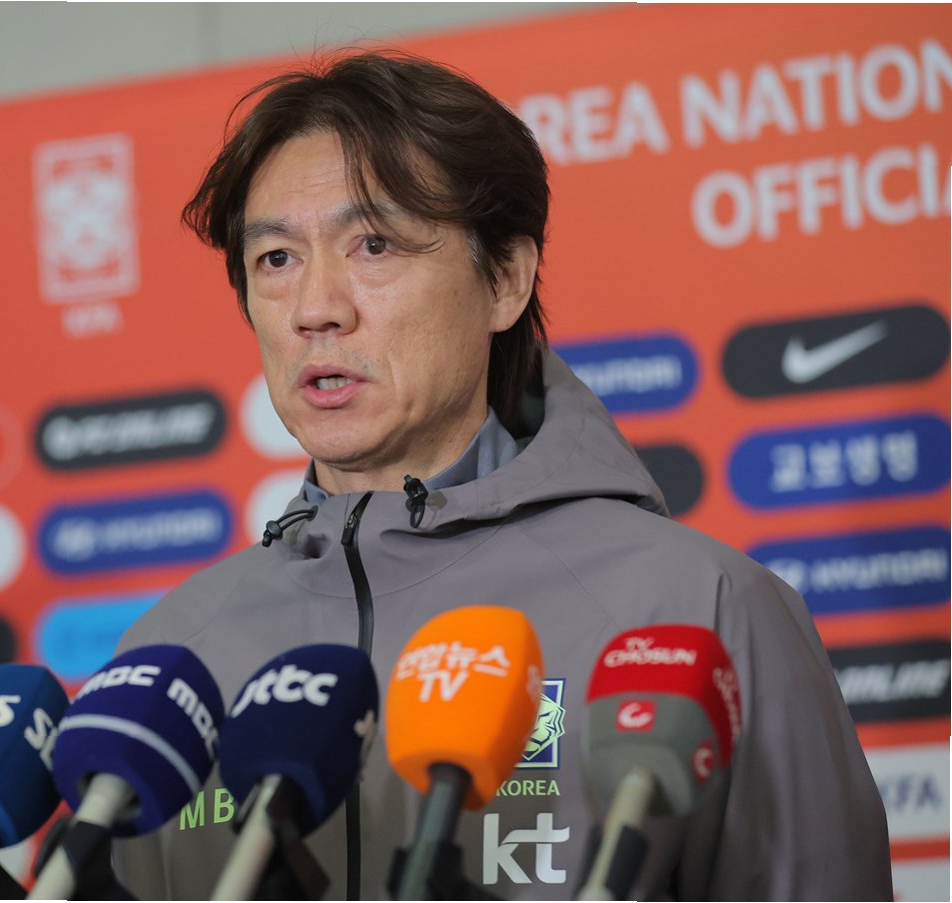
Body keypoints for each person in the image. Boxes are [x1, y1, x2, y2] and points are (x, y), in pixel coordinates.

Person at [115, 50, 892, 900]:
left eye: (373, 244)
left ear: (504, 280)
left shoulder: (699, 609)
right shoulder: (169, 658)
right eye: (275, 259)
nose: (314, 308)